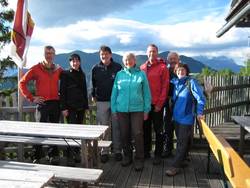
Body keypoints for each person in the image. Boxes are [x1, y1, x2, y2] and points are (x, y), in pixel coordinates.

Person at [19, 45, 63, 164]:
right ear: (44, 54)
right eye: (47, 53)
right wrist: (32, 98)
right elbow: (22, 83)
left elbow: (66, 82)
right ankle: (37, 156)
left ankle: (53, 155)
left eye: (51, 53)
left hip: (55, 103)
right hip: (42, 104)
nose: (49, 55)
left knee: (54, 131)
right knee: (39, 130)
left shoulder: (58, 69)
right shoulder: (36, 68)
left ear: (54, 55)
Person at [111, 53, 151, 171]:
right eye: (126, 60)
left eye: (130, 59)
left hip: (137, 109)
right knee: (124, 134)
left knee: (137, 133)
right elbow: (114, 93)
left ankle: (139, 158)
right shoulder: (119, 74)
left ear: (134, 61)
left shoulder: (141, 74)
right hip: (121, 109)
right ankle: (127, 156)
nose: (128, 62)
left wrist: (146, 109)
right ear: (124, 62)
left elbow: (146, 93)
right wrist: (114, 109)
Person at [165, 63, 206, 176]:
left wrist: (199, 113)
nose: (180, 72)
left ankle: (175, 166)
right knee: (182, 141)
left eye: (182, 70)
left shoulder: (191, 82)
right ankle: (182, 159)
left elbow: (201, 99)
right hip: (177, 117)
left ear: (186, 71)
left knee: (181, 143)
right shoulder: (176, 83)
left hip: (187, 118)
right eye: (178, 71)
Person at [91, 45, 122, 163]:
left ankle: (117, 151)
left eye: (106, 54)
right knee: (103, 127)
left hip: (116, 101)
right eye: (102, 54)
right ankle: (104, 151)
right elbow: (92, 84)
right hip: (101, 101)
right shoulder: (95, 68)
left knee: (116, 127)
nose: (104, 56)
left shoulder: (118, 67)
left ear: (111, 54)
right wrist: (93, 95)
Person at [140, 44, 169, 165]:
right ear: (147, 53)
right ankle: (146, 152)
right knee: (145, 129)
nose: (152, 54)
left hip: (157, 104)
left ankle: (158, 154)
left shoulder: (163, 68)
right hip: (145, 105)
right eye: (150, 52)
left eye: (154, 51)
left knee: (158, 130)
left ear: (157, 53)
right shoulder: (142, 67)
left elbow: (165, 87)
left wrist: (160, 104)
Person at [60, 53, 89, 165]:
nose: (75, 63)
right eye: (73, 61)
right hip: (70, 108)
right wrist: (63, 108)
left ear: (80, 62)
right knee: (71, 132)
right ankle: (69, 156)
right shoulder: (65, 74)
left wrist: (86, 107)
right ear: (70, 62)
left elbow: (85, 91)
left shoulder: (82, 74)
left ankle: (77, 153)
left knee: (79, 131)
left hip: (81, 107)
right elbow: (62, 92)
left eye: (77, 61)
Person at [162, 52, 180, 158]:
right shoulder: (165, 70)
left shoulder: (182, 69)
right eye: (171, 59)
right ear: (168, 60)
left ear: (178, 59)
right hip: (168, 102)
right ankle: (168, 149)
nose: (172, 60)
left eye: (174, 58)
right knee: (167, 126)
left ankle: (181, 152)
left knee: (180, 127)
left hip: (180, 103)